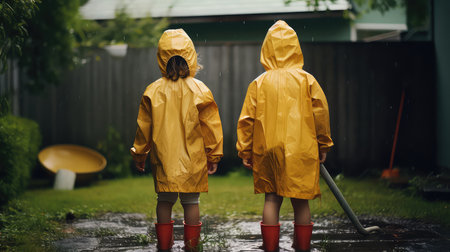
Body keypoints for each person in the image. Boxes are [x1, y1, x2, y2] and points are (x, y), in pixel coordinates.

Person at [236, 20, 333, 252]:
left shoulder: (259, 83)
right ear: (295, 47)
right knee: (300, 200)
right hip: (301, 148)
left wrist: (245, 149)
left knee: (271, 198)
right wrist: (323, 144)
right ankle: (303, 247)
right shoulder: (306, 80)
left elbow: (247, 119)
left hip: (268, 149)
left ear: (266, 49)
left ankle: (270, 247)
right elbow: (321, 113)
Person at [130, 29, 223, 251]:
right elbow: (211, 126)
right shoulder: (200, 89)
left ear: (161, 59)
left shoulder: (152, 91)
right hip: (192, 159)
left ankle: (164, 245)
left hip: (165, 159)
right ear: (191, 56)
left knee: (164, 201)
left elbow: (144, 129)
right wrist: (214, 154)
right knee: (191, 202)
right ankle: (192, 246)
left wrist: (140, 154)